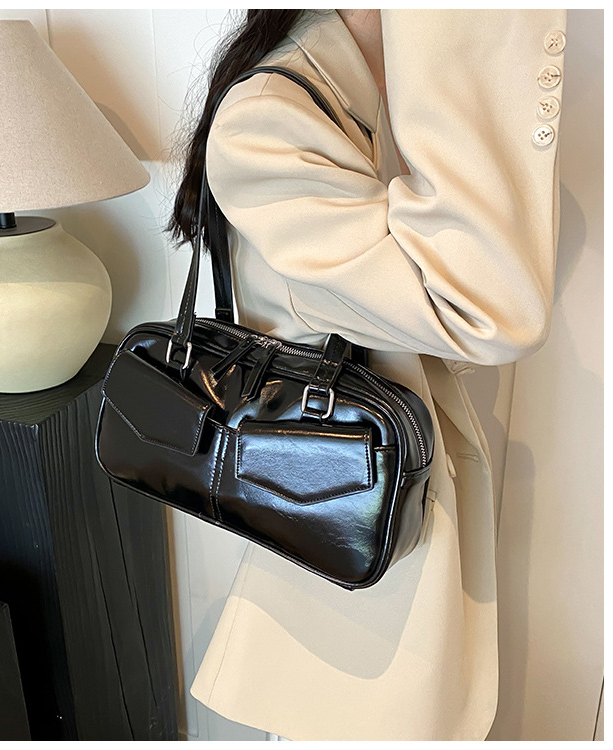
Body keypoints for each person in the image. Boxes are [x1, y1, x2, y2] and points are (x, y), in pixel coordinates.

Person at [169, 9, 566, 741]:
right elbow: (491, 308)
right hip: (347, 587)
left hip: (367, 527)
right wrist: (451, 34)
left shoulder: (354, 91)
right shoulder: (271, 117)